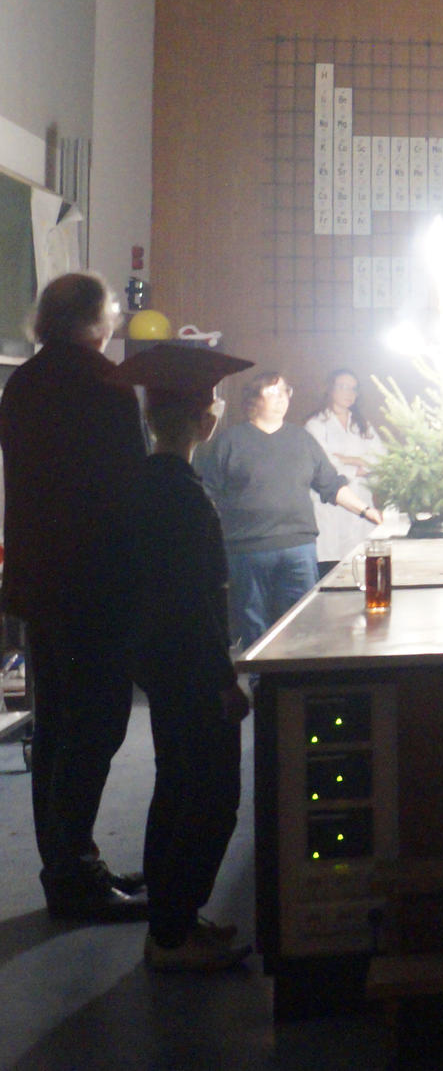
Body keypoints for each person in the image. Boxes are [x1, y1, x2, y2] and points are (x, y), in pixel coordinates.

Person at [0, 273, 150, 919]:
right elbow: (128, 489)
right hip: (95, 581)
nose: (116, 319)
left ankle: (64, 867)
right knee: (96, 725)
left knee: (57, 727)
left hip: (39, 580)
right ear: (94, 319)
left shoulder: (22, 381)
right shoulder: (105, 383)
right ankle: (77, 875)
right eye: (113, 310)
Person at [111, 343, 257, 971]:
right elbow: (196, 601)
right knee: (210, 798)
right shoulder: (184, 496)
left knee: (176, 788)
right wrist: (225, 680)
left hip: (161, 664)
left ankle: (172, 922)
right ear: (208, 421)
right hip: (191, 668)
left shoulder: (147, 483)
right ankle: (172, 937)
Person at [198, 373, 383, 650]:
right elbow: (206, 494)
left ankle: (295, 682)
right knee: (254, 625)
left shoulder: (302, 440)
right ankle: (262, 685)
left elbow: (330, 485)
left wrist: (366, 510)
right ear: (252, 400)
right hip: (247, 549)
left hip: (298, 547)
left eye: (285, 393)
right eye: (272, 393)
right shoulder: (229, 442)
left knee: (302, 623)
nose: (280, 400)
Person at [302, 369, 385, 577]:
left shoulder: (363, 424)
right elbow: (324, 464)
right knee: (332, 568)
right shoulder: (316, 424)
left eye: (353, 389)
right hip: (331, 506)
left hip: (362, 501)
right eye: (342, 387)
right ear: (330, 389)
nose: (349, 393)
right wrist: (357, 465)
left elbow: (381, 458)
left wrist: (348, 461)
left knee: (361, 565)